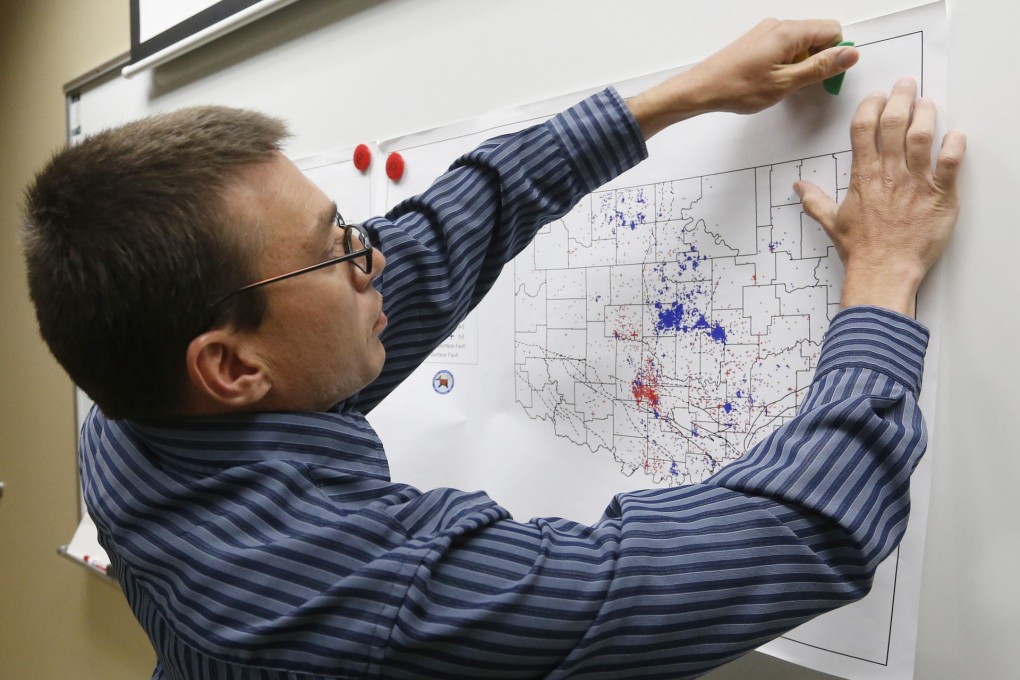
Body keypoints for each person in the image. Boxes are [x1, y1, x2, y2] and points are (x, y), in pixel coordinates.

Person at [22, 18, 964, 680]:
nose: (374, 258)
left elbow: (440, 236)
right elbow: (800, 535)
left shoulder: (135, 408)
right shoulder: (376, 603)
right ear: (231, 367)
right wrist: (882, 276)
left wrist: (678, 96)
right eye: (336, 251)